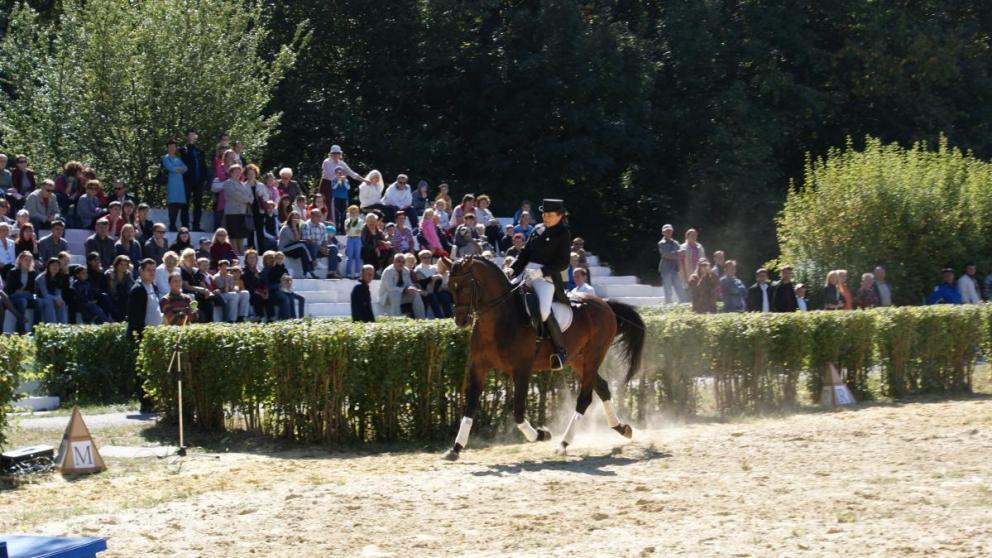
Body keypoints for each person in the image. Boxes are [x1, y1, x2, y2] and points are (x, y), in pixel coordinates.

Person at [509, 199, 571, 370]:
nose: (546, 217)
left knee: (543, 311)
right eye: (544, 214)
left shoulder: (563, 233)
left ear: (560, 216)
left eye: (550, 215)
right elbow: (525, 254)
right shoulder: (537, 229)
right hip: (527, 272)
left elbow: (563, 263)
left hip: (547, 277)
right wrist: (512, 270)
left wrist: (541, 272)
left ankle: (560, 351)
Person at [379, 253, 425, 318]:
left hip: (401, 295)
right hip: (387, 297)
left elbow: (409, 284)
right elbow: (390, 288)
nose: (401, 263)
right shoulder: (388, 271)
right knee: (395, 293)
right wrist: (404, 290)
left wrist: (415, 289)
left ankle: (421, 319)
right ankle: (397, 319)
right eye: (398, 261)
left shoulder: (406, 270)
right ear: (394, 261)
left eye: (403, 262)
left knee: (415, 293)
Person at [180, 129, 209, 231]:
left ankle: (196, 225)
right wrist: (189, 146)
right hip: (186, 181)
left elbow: (204, 166)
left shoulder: (199, 151)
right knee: (185, 204)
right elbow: (185, 160)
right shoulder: (182, 150)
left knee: (198, 204)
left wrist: (205, 179)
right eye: (190, 135)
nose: (192, 137)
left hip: (198, 181)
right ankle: (185, 226)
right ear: (186, 137)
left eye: (194, 135)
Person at [221, 164, 253, 253]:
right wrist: (247, 199)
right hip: (232, 212)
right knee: (233, 234)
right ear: (231, 173)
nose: (238, 174)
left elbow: (251, 196)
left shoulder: (243, 184)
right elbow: (235, 195)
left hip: (242, 212)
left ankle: (241, 251)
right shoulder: (228, 183)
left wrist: (248, 198)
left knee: (241, 234)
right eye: (236, 172)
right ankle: (234, 252)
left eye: (239, 172)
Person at [300, 207, 340, 278]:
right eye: (317, 216)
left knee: (333, 248)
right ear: (311, 216)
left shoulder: (322, 226)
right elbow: (307, 241)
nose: (319, 218)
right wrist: (320, 248)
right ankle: (311, 271)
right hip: (310, 249)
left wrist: (325, 247)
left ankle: (331, 273)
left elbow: (325, 240)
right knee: (312, 246)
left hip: (320, 248)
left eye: (320, 216)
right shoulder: (306, 225)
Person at [4, 252, 36, 333]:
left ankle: (36, 328)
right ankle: (20, 329)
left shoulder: (32, 273)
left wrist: (35, 298)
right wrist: (17, 291)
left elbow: (34, 290)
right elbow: (8, 290)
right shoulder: (13, 272)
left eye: (30, 260)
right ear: (20, 260)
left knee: (38, 301)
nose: (28, 262)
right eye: (26, 260)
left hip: (28, 295)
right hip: (14, 297)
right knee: (22, 301)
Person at [278, 211, 316, 278]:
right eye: (294, 218)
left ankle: (307, 272)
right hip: (284, 249)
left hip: (293, 248)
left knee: (304, 249)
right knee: (302, 244)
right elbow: (297, 240)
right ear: (290, 219)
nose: (295, 220)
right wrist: (294, 227)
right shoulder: (286, 228)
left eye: (297, 218)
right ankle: (312, 260)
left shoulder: (297, 227)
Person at [162, 140, 189, 231]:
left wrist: (177, 169)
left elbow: (185, 168)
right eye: (170, 146)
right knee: (172, 203)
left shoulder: (178, 159)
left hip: (179, 184)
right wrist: (178, 169)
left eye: (174, 146)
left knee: (178, 204)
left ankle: (178, 225)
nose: (172, 148)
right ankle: (172, 225)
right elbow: (169, 167)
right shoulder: (165, 158)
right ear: (167, 148)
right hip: (171, 183)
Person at [35, 257, 68, 324]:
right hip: (37, 298)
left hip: (50, 298)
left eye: (57, 265)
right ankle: (51, 326)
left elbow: (58, 293)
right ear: (48, 266)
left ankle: (62, 326)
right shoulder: (41, 278)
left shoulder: (58, 278)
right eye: (53, 265)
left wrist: (59, 300)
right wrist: (56, 299)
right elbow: (45, 294)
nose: (55, 267)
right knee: (49, 302)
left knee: (62, 304)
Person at [657, 224, 684, 304]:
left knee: (679, 286)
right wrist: (678, 253)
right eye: (666, 231)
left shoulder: (676, 243)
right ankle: (668, 303)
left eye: (670, 231)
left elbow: (682, 253)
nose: (668, 232)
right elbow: (666, 255)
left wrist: (678, 254)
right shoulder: (661, 243)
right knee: (668, 288)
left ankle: (683, 302)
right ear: (663, 233)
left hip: (675, 268)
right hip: (665, 269)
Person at [107, 255, 133, 321]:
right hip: (113, 298)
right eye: (121, 264)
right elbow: (112, 291)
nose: (123, 267)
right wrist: (112, 279)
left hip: (124, 298)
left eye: (125, 265)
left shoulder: (128, 274)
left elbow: (129, 289)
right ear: (116, 264)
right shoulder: (109, 274)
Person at [343, 205, 364, 279]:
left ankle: (357, 273)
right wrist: (352, 223)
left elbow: (358, 231)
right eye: (351, 212)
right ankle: (348, 273)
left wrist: (352, 226)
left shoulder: (361, 221)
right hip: (350, 239)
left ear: (358, 213)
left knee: (357, 256)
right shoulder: (346, 221)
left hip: (357, 239)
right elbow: (347, 230)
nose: (353, 214)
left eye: (355, 212)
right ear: (349, 213)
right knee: (349, 256)